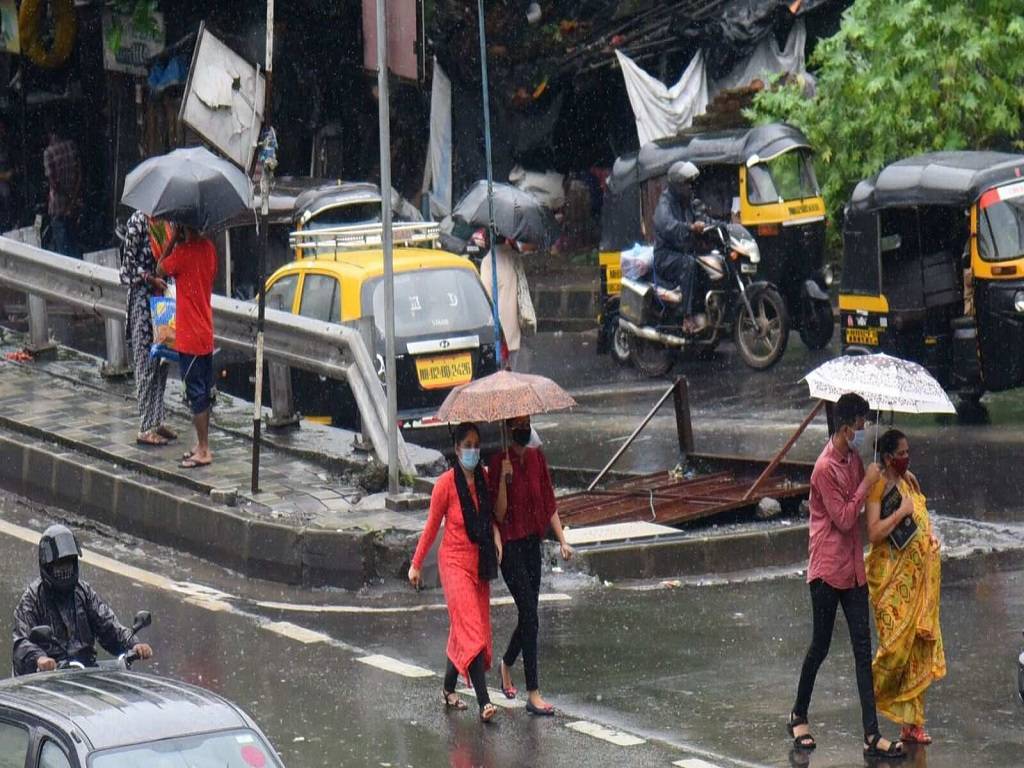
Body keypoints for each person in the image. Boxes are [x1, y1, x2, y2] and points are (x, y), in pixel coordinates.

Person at [789, 392, 905, 759]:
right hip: (826, 570)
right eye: (859, 423)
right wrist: (864, 483)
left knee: (861, 649)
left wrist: (884, 476)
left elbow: (865, 498)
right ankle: (798, 714)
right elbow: (842, 518)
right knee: (820, 646)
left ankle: (871, 734)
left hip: (854, 570)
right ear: (844, 426)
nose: (862, 430)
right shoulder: (824, 468)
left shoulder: (854, 458)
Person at [408, 423, 504, 722]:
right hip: (453, 563)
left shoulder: (485, 479)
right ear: (457, 448)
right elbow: (431, 526)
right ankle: (484, 701)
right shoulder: (446, 485)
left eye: (477, 444)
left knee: (468, 630)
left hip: (480, 563)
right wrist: (416, 563)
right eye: (468, 445)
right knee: (471, 630)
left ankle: (449, 688)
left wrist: (504, 480)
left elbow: (494, 518)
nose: (473, 450)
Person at [488, 414, 573, 716]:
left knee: (530, 614)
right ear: (509, 428)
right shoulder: (499, 462)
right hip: (510, 547)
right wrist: (502, 479)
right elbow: (497, 515)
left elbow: (549, 502)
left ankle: (507, 662)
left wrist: (562, 539)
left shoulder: (538, 459)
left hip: (531, 546)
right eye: (518, 425)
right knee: (529, 613)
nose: (523, 429)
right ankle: (533, 692)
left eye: (527, 423)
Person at [865, 429, 946, 745]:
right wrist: (900, 513)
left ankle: (912, 724)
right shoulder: (877, 487)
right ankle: (869, 698)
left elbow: (922, 517)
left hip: (919, 581)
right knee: (895, 651)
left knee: (915, 650)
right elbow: (873, 533)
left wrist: (930, 537)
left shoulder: (909, 481)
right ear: (887, 457)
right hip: (892, 584)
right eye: (901, 453)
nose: (906, 457)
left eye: (907, 452)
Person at [12, 525, 153, 675]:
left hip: (85, 675)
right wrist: (39, 658)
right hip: (46, 680)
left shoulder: (83, 592)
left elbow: (108, 625)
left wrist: (134, 644)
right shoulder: (32, 598)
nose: (65, 570)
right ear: (47, 565)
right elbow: (21, 643)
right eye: (59, 565)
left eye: (68, 563)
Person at [156, 225, 217, 469]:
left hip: (189, 336)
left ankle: (203, 449)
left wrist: (171, 241)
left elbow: (160, 268)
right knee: (203, 390)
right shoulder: (210, 249)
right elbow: (209, 275)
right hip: (205, 332)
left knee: (196, 395)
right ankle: (201, 445)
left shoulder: (182, 253)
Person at [119, 210, 177, 447]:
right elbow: (127, 269)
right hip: (143, 300)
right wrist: (149, 278)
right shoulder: (137, 222)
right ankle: (145, 426)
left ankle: (156, 419)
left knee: (162, 361)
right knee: (145, 363)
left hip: (163, 299)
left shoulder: (167, 224)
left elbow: (168, 260)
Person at [653, 160, 713, 334]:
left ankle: (706, 311)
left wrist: (727, 226)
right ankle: (687, 318)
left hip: (682, 253)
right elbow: (667, 225)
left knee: (708, 263)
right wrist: (690, 228)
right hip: (665, 256)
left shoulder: (689, 202)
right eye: (687, 183)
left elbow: (704, 218)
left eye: (691, 183)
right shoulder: (665, 204)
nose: (690, 187)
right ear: (677, 184)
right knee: (689, 264)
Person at [479, 238, 535, 371]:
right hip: (513, 328)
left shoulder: (488, 261)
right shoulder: (514, 257)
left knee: (499, 377)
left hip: (498, 331)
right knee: (512, 373)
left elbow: (486, 297)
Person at [43, 124, 81, 259]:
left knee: (62, 249)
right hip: (73, 204)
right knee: (74, 244)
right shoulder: (71, 145)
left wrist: (66, 195)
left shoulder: (48, 153)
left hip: (58, 206)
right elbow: (79, 173)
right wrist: (73, 196)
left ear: (50, 135)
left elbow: (53, 182)